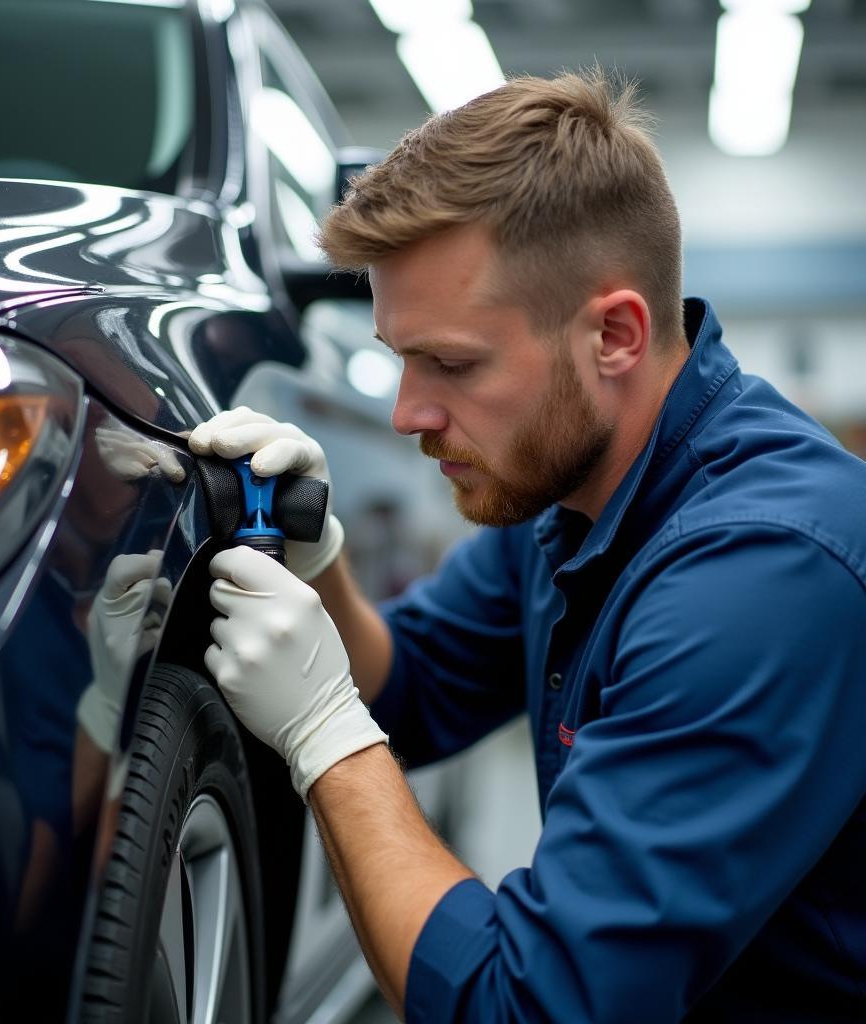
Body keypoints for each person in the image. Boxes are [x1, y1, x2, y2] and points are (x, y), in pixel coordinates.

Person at [187, 70, 866, 1023]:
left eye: (453, 363)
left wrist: (324, 735)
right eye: (401, 356)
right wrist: (316, 558)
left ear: (616, 336)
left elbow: (533, 1007)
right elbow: (415, 686)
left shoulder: (760, 576)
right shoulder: (572, 492)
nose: (407, 414)